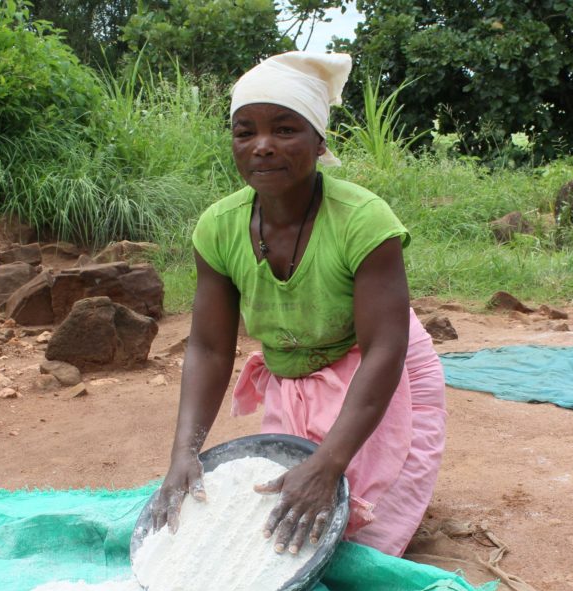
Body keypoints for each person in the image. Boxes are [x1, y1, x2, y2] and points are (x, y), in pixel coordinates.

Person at [151, 52, 447, 557]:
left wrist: (329, 464)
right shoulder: (219, 228)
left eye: (285, 130)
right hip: (295, 380)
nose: (262, 146)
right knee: (276, 525)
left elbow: (385, 349)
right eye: (245, 132)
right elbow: (209, 348)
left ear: (319, 141)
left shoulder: (363, 220)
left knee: (359, 536)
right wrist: (184, 452)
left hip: (384, 373)